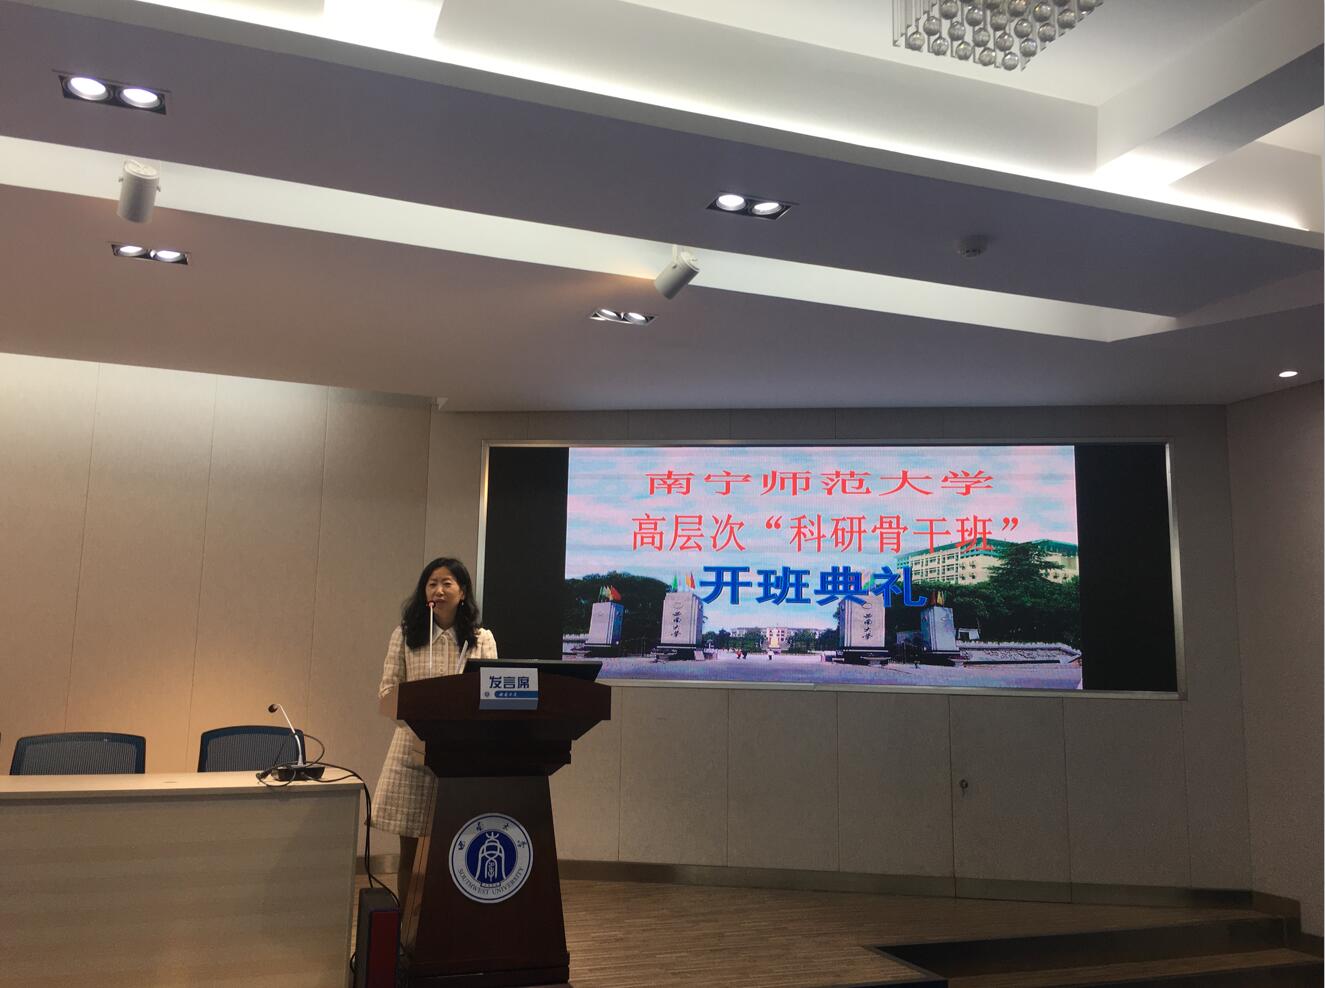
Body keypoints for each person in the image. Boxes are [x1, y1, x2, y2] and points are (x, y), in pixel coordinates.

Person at [374, 557, 497, 909]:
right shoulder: (406, 634)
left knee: (457, 846)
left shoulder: (480, 639)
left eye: (447, 583)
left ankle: (446, 925)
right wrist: (423, 727)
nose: (438, 590)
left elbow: (491, 693)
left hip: (461, 755)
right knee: (410, 850)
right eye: (431, 584)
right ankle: (407, 926)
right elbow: (387, 693)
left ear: (463, 592)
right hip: (411, 752)